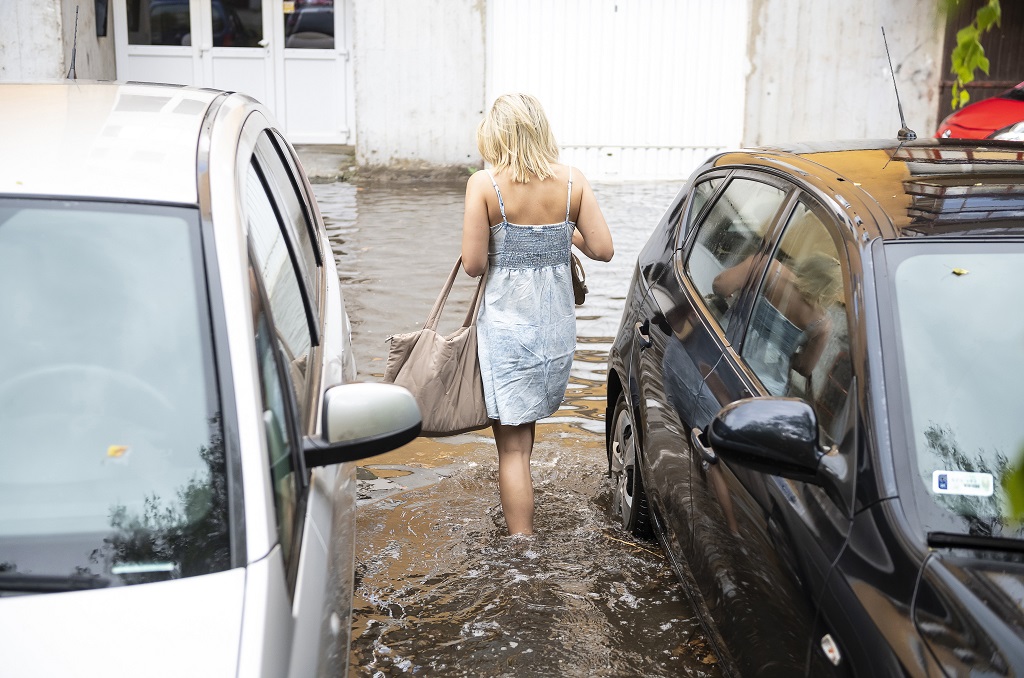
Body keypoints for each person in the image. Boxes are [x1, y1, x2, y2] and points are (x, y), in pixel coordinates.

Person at [461, 93, 614, 535]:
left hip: (508, 332)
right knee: (525, 439)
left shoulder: (484, 185)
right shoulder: (573, 183)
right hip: (555, 332)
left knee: (511, 450)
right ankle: (524, 524)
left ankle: (521, 548)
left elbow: (472, 265)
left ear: (496, 136)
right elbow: (603, 248)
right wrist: (562, 234)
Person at [713, 251, 842, 395]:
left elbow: (720, 286)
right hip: (762, 391)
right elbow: (804, 367)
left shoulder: (770, 268)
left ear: (808, 264)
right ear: (831, 291)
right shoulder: (822, 323)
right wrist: (782, 348)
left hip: (722, 358)